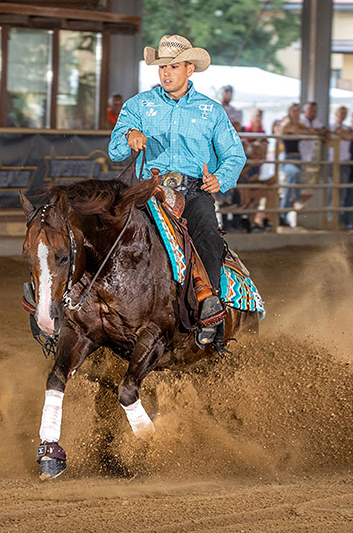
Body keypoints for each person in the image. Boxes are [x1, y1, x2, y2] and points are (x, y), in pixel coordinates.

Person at [109, 34, 246, 345]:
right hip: (147, 189)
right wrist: (128, 134)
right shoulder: (138, 106)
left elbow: (235, 155)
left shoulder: (211, 111)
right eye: (161, 67)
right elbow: (115, 151)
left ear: (189, 69)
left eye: (172, 66)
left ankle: (209, 304)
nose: (166, 73)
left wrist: (220, 178)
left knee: (207, 234)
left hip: (194, 190)